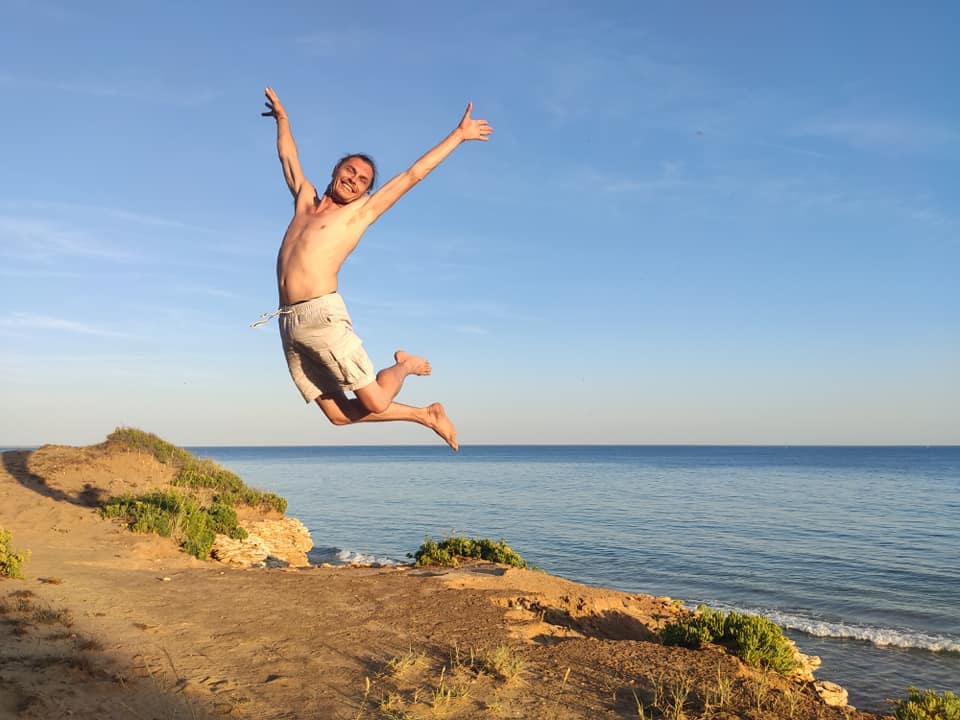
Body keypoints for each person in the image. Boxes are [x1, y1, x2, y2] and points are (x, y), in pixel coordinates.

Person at [256, 87, 492, 451]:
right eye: (350, 171)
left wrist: (459, 135)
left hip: (323, 316)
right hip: (288, 321)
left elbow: (412, 175)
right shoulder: (305, 200)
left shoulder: (358, 214)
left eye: (363, 180)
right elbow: (288, 156)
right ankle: (425, 414)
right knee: (337, 415)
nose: (353, 179)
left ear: (366, 191)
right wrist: (284, 120)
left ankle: (406, 367)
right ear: (337, 170)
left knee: (376, 402)